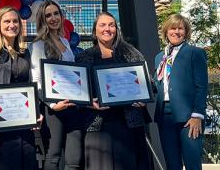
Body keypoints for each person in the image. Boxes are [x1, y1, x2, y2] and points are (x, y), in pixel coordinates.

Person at [76, 12, 151, 170]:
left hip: (128, 124)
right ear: (95, 30)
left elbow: (149, 83)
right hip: (97, 125)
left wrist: (143, 98)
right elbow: (76, 93)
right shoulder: (83, 57)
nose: (107, 29)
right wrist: (89, 103)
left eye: (111, 25)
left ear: (116, 29)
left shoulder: (130, 53)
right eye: (102, 25)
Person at [0, 6, 41, 170]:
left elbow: (30, 84)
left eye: (15, 21)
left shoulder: (24, 52)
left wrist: (36, 114)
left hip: (23, 122)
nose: (12, 25)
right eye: (7, 21)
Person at [30, 0, 85, 169]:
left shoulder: (66, 42)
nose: (53, 18)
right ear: (42, 19)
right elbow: (36, 80)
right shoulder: (38, 45)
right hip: (54, 110)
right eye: (48, 15)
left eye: (56, 14)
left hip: (73, 105)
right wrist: (53, 105)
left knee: (74, 159)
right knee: (53, 156)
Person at [154, 14, 207, 170]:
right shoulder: (160, 57)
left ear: (186, 31)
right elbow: (156, 84)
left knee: (192, 164)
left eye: (180, 28)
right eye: (173, 28)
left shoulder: (194, 53)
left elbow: (201, 86)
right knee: (172, 164)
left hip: (189, 117)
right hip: (164, 116)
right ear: (166, 31)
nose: (176, 32)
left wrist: (197, 115)